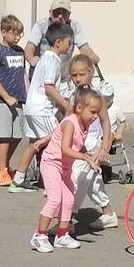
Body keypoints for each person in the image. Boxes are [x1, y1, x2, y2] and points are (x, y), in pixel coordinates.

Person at [31, 90, 105, 254]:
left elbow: (78, 145)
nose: (95, 116)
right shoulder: (70, 123)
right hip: (52, 163)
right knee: (55, 199)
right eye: (92, 112)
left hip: (65, 166)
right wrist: (84, 157)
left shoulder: (84, 124)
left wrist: (90, 158)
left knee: (69, 200)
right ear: (79, 108)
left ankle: (62, 235)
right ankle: (39, 235)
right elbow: (65, 149)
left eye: (97, 113)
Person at [61, 53, 120, 231]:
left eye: (81, 74)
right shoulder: (73, 96)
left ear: (90, 73)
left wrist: (105, 145)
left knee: (76, 179)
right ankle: (108, 213)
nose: (78, 78)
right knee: (92, 179)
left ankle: (67, 219)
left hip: (92, 142)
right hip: (77, 141)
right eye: (74, 75)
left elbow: (105, 121)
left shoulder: (96, 96)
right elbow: (67, 120)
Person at [14, 22, 73, 193]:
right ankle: (53, 183)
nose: (70, 46)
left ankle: (18, 179)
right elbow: (49, 87)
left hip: (32, 108)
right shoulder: (52, 60)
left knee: (35, 144)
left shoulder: (44, 58)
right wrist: (65, 105)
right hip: (43, 110)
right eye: (69, 42)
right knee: (59, 142)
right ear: (59, 42)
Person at [0, 15, 30, 187]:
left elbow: (23, 74)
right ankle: (2, 171)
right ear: (4, 32)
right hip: (0, 101)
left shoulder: (19, 51)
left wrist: (29, 93)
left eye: (20, 34)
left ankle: (1, 165)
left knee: (17, 135)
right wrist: (6, 97)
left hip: (19, 100)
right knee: (5, 136)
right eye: (15, 33)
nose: (18, 37)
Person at [24, 3, 94, 64]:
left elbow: (84, 48)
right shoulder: (41, 25)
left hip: (63, 76)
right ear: (50, 12)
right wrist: (32, 60)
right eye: (56, 12)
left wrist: (93, 57)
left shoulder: (74, 26)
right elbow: (29, 48)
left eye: (64, 13)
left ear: (69, 14)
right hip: (43, 75)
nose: (60, 16)